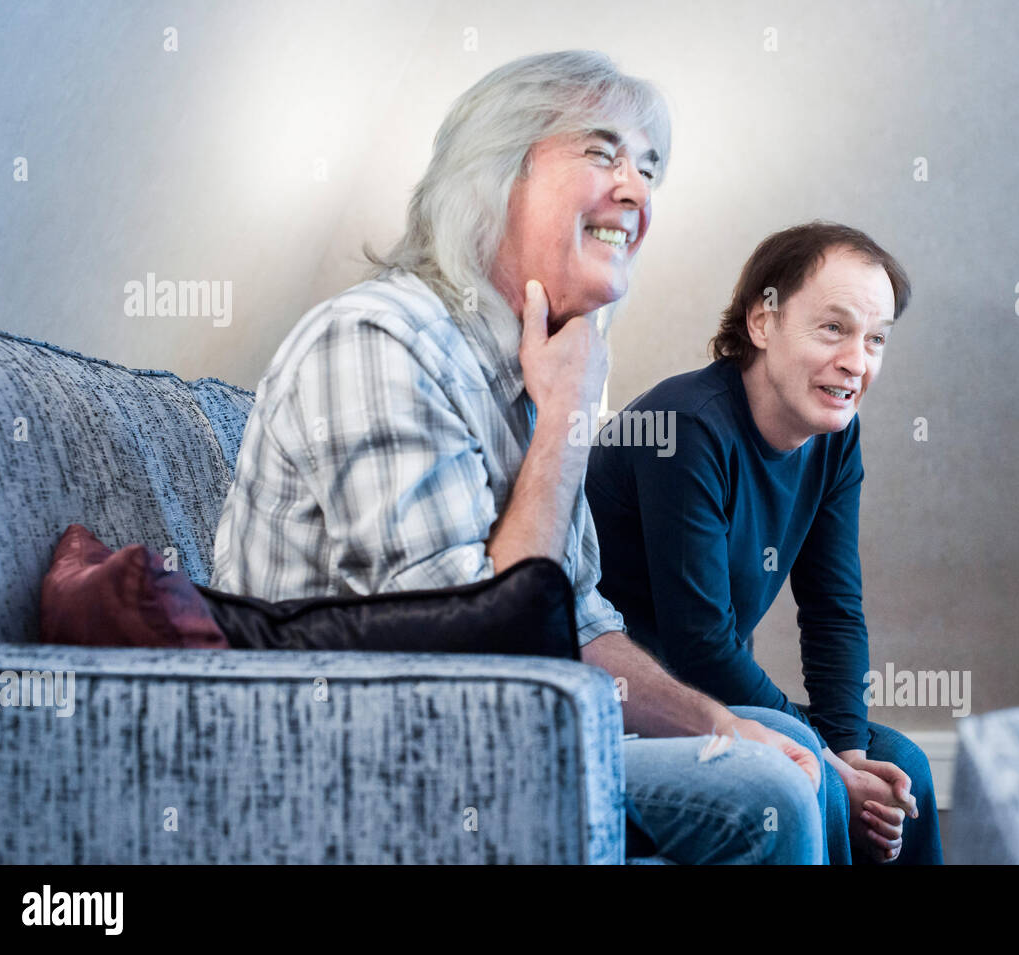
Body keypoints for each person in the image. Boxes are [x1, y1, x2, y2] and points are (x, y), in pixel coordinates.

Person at [211, 51, 828, 864]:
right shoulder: (379, 342)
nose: (637, 190)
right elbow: (479, 659)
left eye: (648, 168)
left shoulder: (531, 371)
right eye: (603, 153)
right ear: (494, 175)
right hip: (370, 765)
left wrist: (720, 723)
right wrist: (571, 415)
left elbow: (578, 622)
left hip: (489, 741)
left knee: (789, 744)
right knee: (766, 793)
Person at [586, 221, 944, 863]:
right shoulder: (683, 428)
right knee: (812, 771)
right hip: (629, 704)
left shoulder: (834, 438)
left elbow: (834, 610)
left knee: (902, 763)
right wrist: (835, 769)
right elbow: (701, 646)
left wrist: (852, 751)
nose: (857, 362)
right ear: (763, 322)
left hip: (711, 694)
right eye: (833, 328)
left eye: (876, 339)